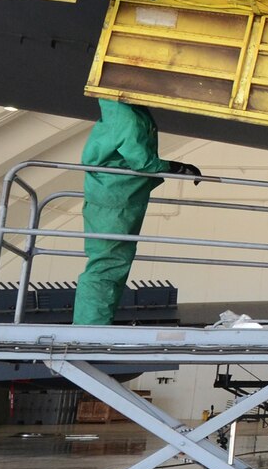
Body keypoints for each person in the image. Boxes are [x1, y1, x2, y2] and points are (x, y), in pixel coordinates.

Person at [72, 99, 200, 325]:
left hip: (115, 194)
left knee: (111, 262)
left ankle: (94, 325)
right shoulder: (128, 116)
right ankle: (89, 328)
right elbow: (141, 160)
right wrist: (175, 167)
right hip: (117, 198)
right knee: (107, 264)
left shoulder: (122, 110)